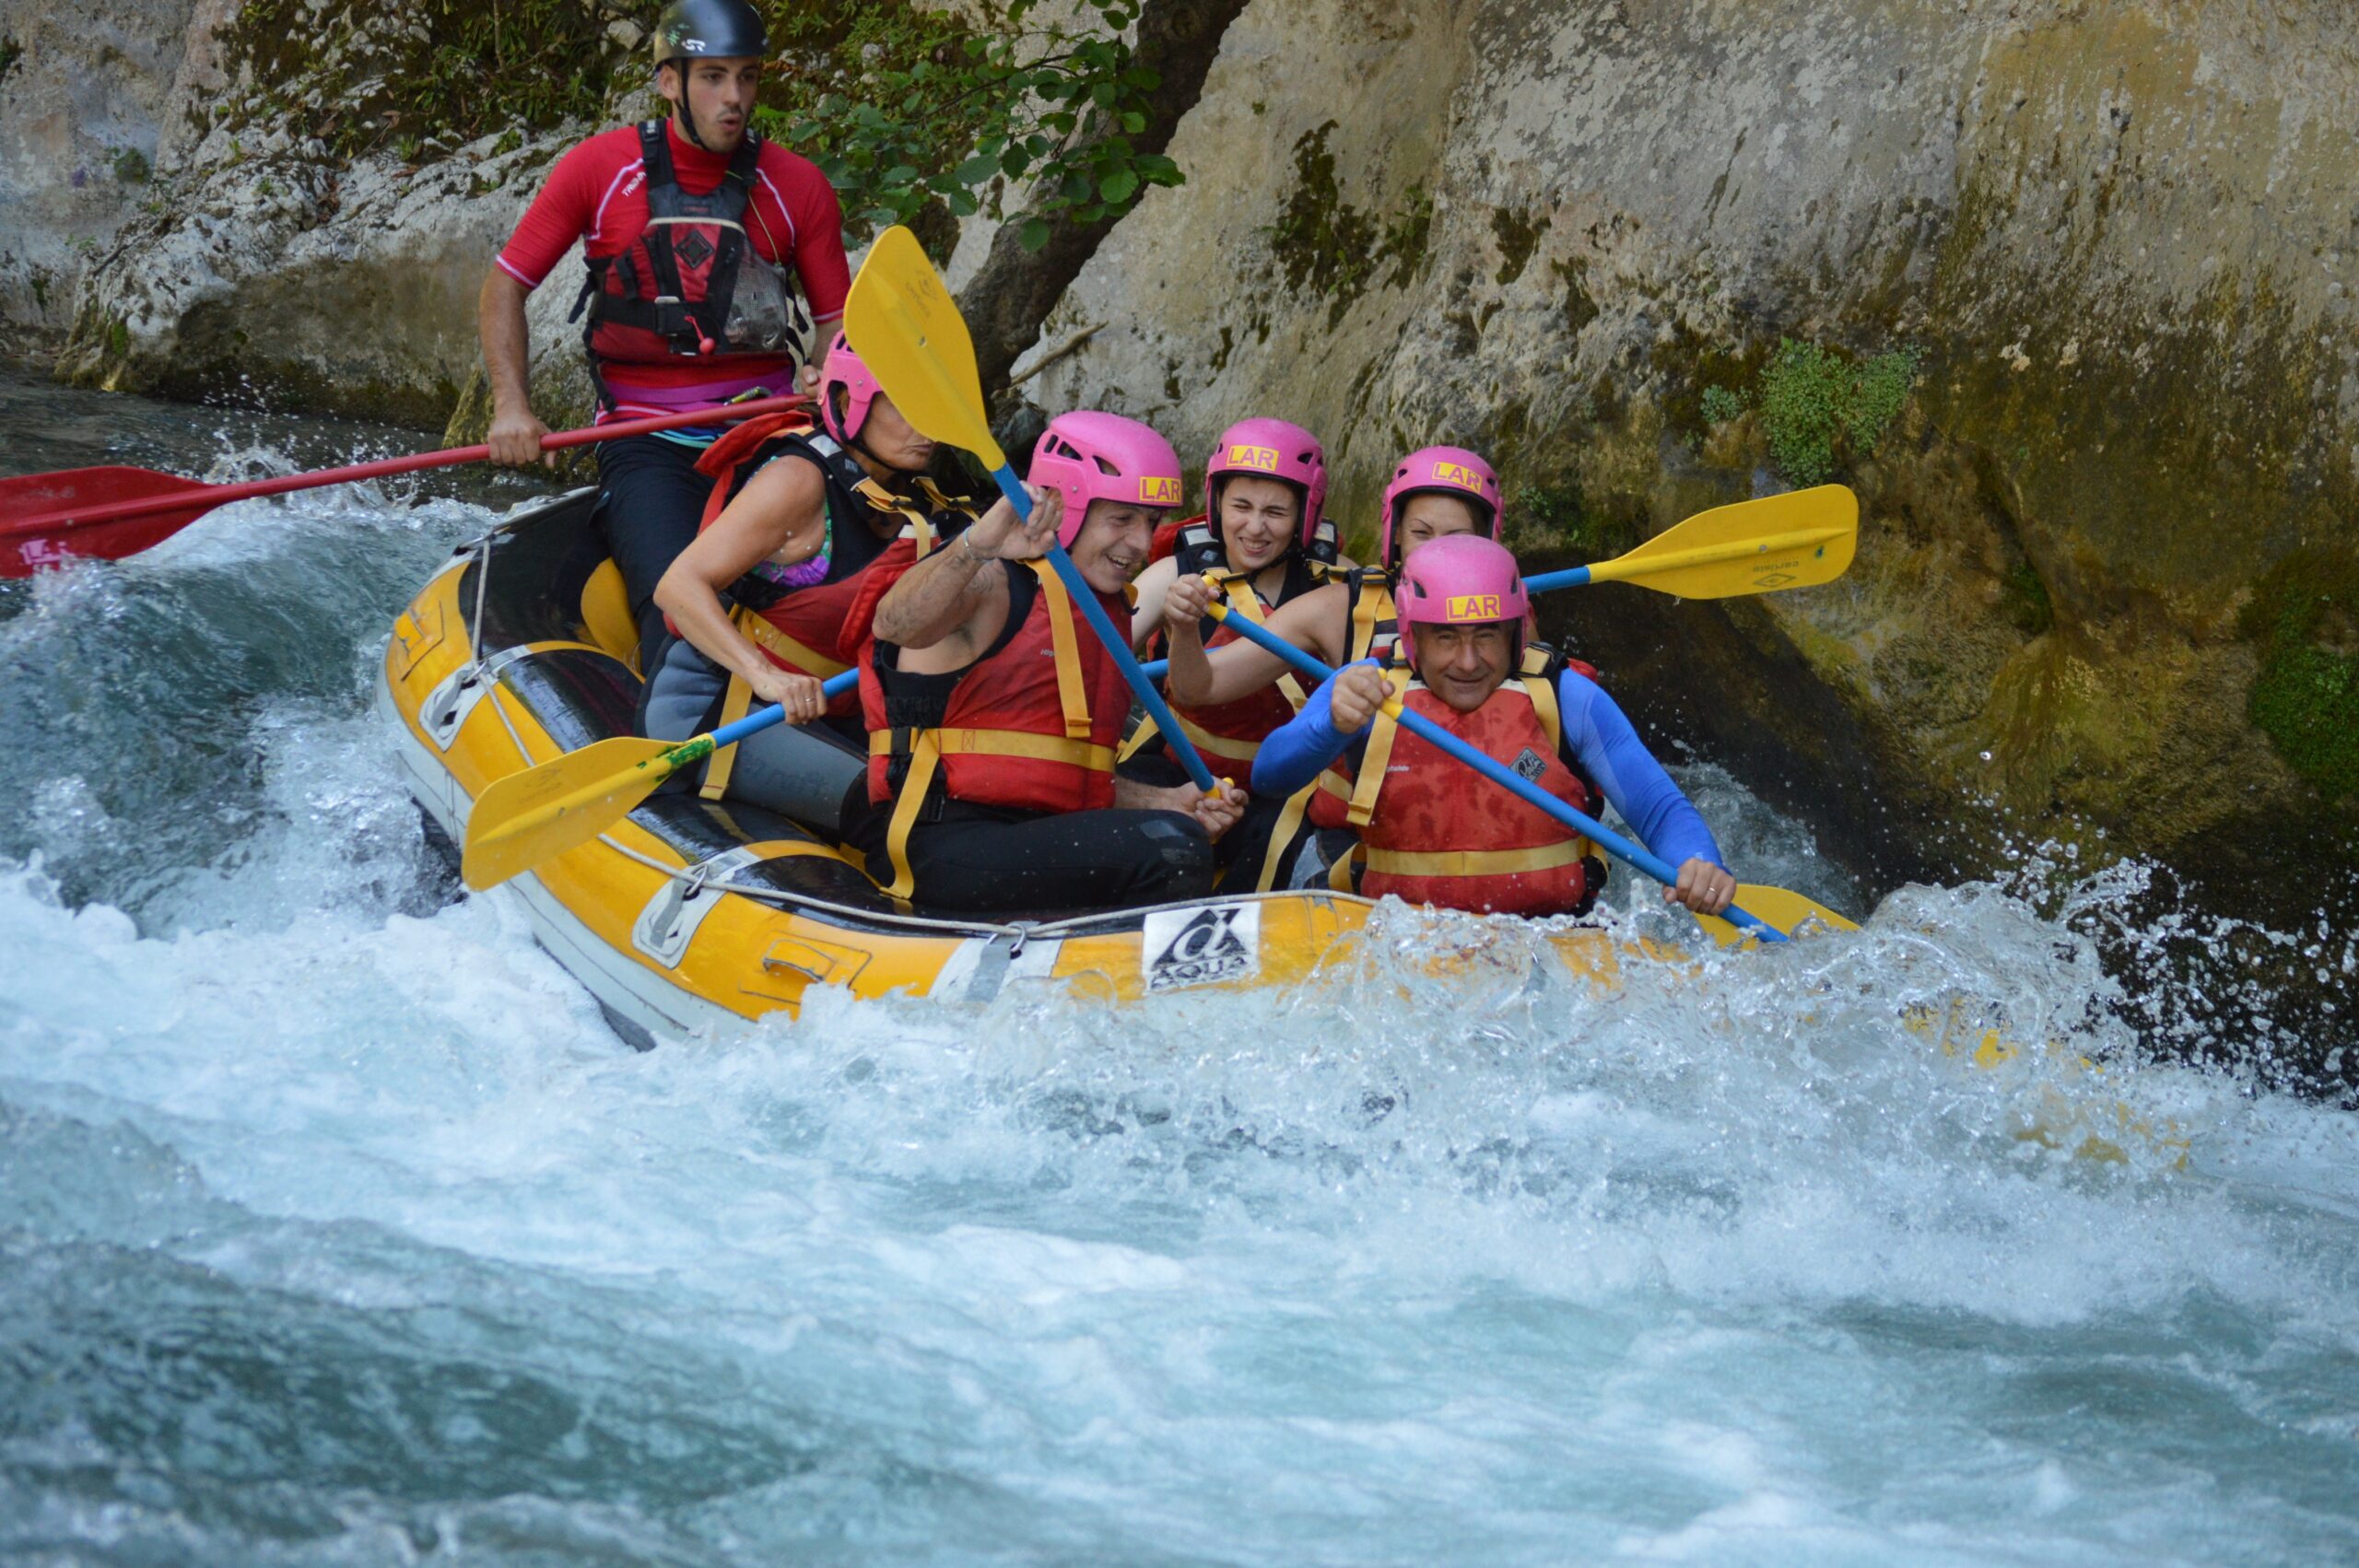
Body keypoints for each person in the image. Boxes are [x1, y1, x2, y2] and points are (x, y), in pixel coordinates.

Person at [476, 0, 851, 661]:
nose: (734, 98)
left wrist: (832, 381)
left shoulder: (799, 186)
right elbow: (507, 283)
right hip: (647, 441)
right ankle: (678, 742)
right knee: (679, 621)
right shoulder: (598, 168)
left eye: (747, 76)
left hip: (772, 436)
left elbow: (835, 322)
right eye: (712, 77)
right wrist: (512, 407)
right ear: (669, 81)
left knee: (836, 600)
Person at [852, 413, 1246, 912]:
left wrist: (1168, 803)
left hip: (1026, 829)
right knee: (1171, 851)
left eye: (1150, 522)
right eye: (1121, 520)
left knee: (1168, 788)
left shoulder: (1100, 606)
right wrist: (977, 546)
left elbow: (1063, 772)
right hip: (942, 838)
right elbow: (895, 624)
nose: (1142, 545)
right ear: (1067, 506)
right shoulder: (992, 579)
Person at [1250, 534, 1739, 919]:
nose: (1467, 662)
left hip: (1547, 935)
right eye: (1445, 637)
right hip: (1396, 934)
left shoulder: (1566, 698)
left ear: (1515, 632)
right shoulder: (1365, 689)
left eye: (1487, 635)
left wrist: (1699, 862)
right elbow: (1269, 777)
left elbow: (1658, 808)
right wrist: (1330, 727)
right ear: (1411, 633)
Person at [639, 334, 979, 834]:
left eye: (934, 405)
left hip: (826, 710)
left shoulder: (913, 496)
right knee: (904, 809)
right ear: (848, 401)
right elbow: (678, 585)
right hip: (718, 706)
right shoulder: (797, 480)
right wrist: (765, 676)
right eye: (905, 405)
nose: (926, 426)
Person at [1163, 442, 1511, 862]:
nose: (1437, 551)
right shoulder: (1339, 608)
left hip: (1489, 831)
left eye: (1458, 538)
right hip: (1362, 841)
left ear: (1489, 539)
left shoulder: (1513, 616)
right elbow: (1202, 687)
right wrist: (1183, 629)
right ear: (1396, 534)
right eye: (1422, 533)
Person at [1123, 418, 1346, 890]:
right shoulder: (1171, 574)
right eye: (1240, 506)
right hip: (1182, 764)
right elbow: (1095, 651)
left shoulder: (1339, 582)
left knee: (1291, 837)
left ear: (1305, 515)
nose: (1255, 528)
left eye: (1276, 512)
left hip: (1289, 784)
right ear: (1217, 502)